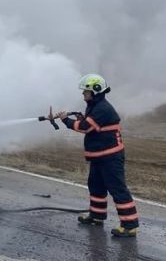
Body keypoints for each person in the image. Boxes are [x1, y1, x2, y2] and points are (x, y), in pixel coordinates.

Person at [54, 74, 139, 238]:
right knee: (96, 186)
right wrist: (80, 118)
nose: (83, 94)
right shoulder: (94, 105)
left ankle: (130, 225)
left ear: (96, 91)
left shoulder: (102, 109)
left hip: (110, 157)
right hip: (99, 156)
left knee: (117, 189)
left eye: (86, 91)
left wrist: (66, 120)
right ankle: (97, 217)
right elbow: (90, 122)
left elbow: (86, 127)